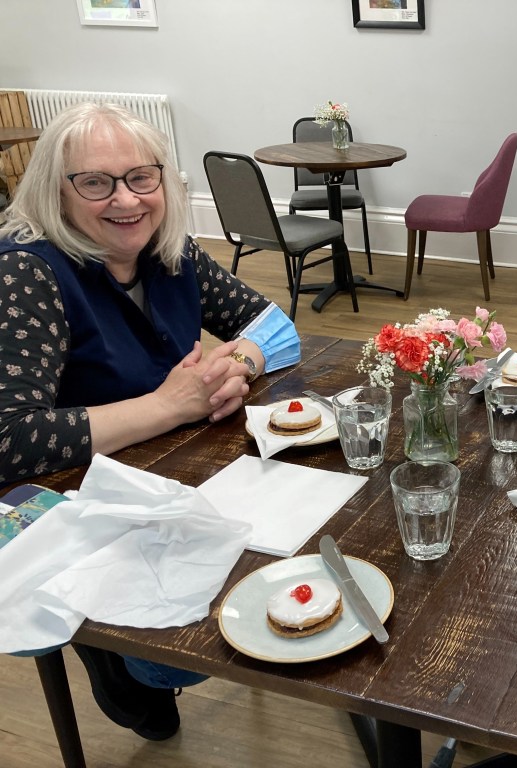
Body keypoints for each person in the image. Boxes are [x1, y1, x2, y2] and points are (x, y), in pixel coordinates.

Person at [0, 102, 301, 739]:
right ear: (56, 191)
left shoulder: (171, 251)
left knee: (257, 577)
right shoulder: (27, 270)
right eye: (95, 182)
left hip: (165, 470)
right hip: (72, 499)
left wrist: (236, 365)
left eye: (141, 176)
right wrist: (171, 405)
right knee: (174, 659)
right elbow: (11, 437)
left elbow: (274, 327)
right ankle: (105, 651)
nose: (127, 199)